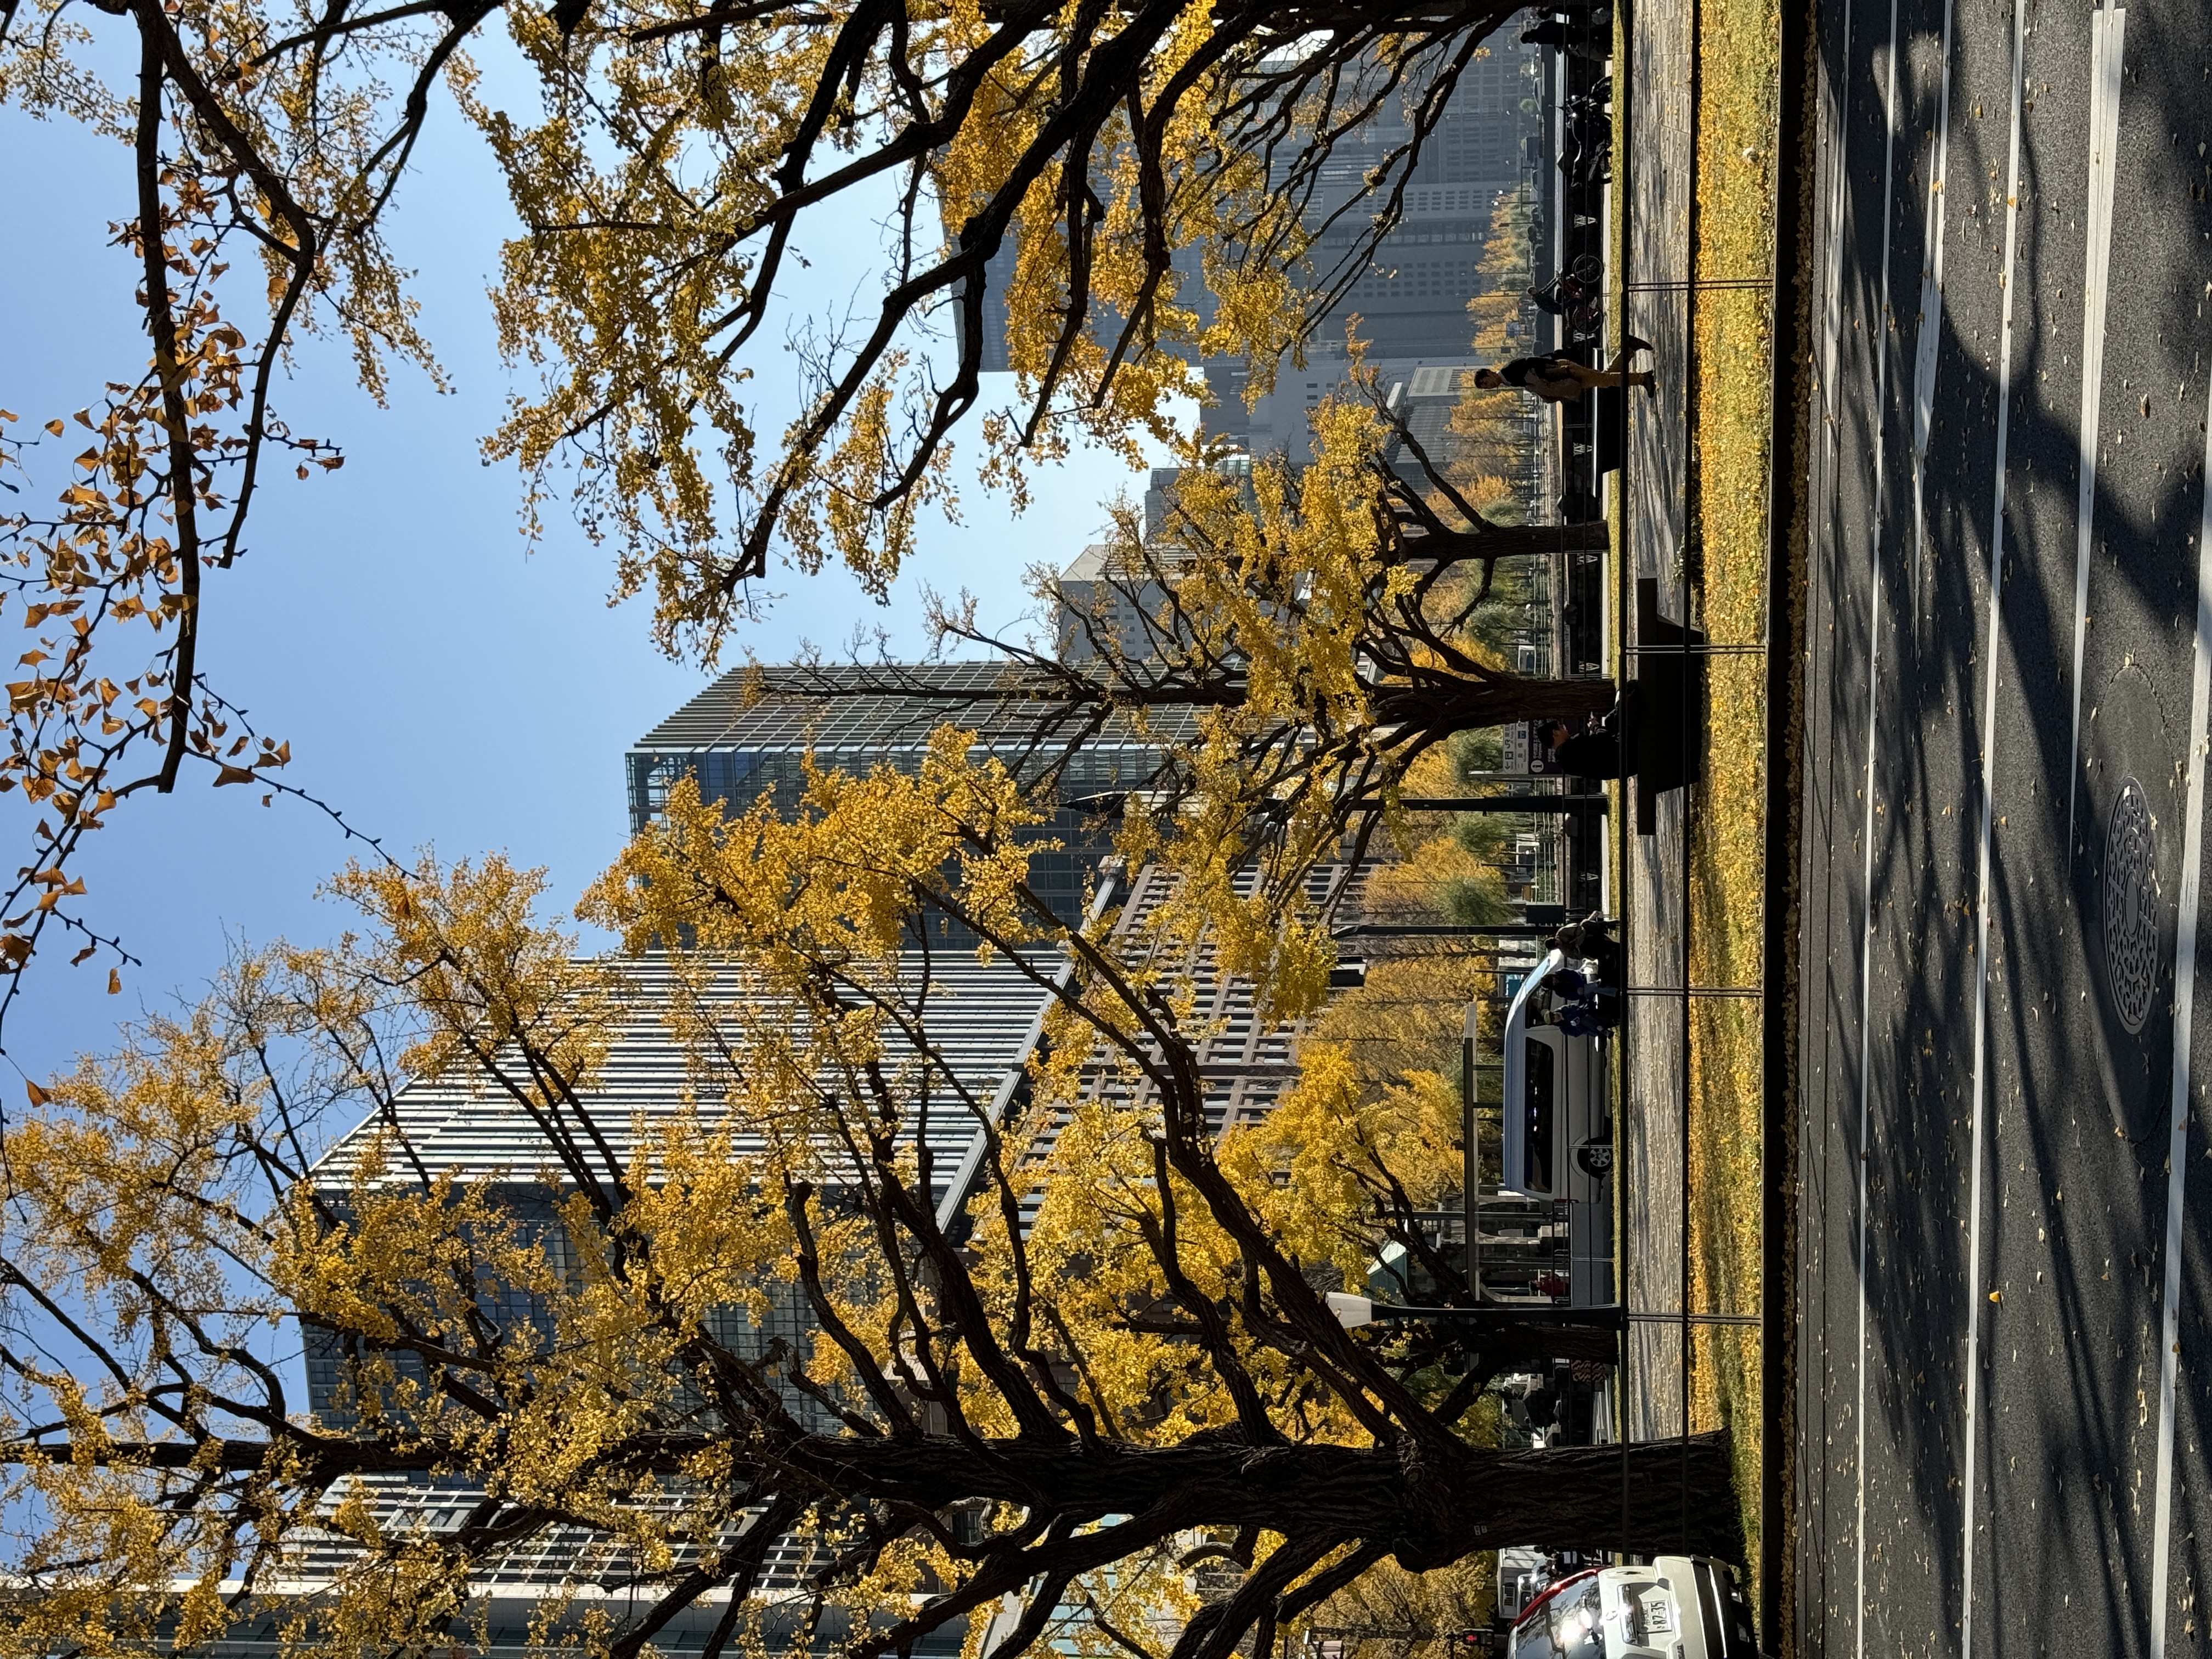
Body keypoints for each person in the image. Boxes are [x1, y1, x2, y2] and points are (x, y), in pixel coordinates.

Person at [1475, 336, 1655, 403]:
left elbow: (1531, 361)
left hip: (1564, 372)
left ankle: (1642, 379)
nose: (1488, 386)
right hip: (1563, 376)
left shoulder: (1508, 372)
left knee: (1604, 380)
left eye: (1485, 382)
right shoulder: (1509, 380)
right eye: (1485, 387)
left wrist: (1554, 366)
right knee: (1604, 378)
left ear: (1489, 373)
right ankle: (1629, 349)